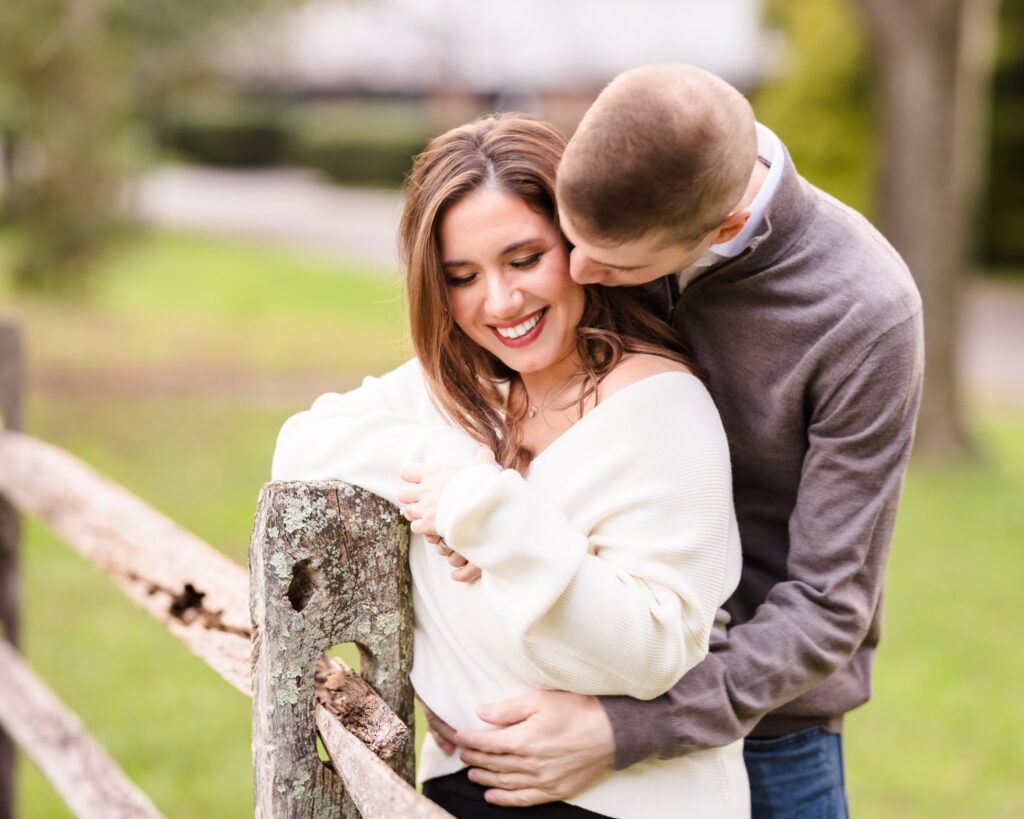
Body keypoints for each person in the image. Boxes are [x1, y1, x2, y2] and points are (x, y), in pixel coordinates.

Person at [436, 64, 925, 817]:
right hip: (565, 683)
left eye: (619, 267)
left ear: (723, 227)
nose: (579, 272)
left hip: (767, 725)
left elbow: (829, 603)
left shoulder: (862, 313)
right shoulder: (623, 186)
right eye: (566, 240)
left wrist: (626, 728)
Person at [272, 113, 749, 817]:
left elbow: (653, 648)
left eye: (525, 259)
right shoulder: (459, 392)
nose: (501, 302)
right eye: (463, 276)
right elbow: (301, 444)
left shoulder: (662, 408)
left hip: (629, 801)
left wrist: (489, 515)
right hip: (460, 785)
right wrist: (456, 465)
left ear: (579, 245)